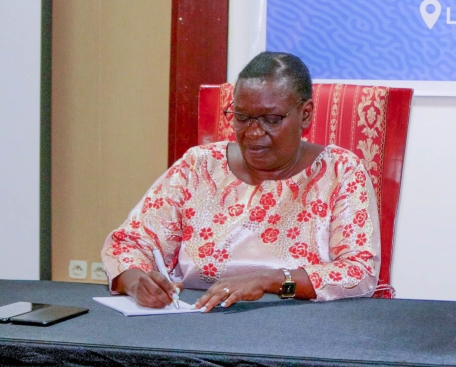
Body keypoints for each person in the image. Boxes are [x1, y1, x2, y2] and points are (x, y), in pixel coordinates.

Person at [102, 52, 380, 311]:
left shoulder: (340, 171)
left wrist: (268, 281)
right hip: (198, 320)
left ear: (305, 114)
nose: (254, 132)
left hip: (299, 324)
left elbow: (359, 272)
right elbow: (130, 244)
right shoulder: (199, 166)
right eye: (242, 117)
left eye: (271, 119)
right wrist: (137, 282)